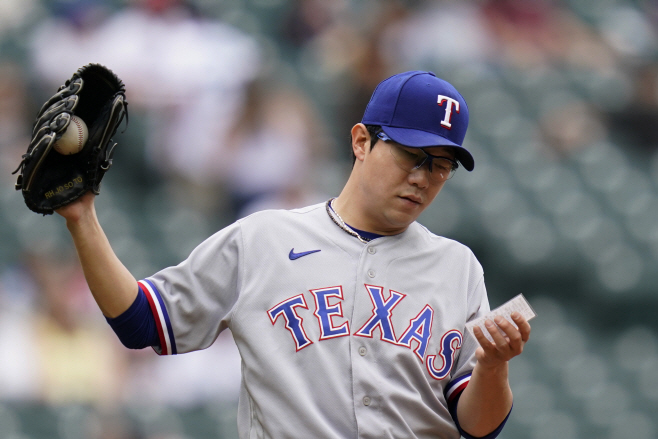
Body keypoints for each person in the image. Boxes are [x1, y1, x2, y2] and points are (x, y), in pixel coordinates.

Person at [56, 71, 531, 439]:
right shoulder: (264, 238)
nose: (423, 178)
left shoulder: (458, 266)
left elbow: (478, 426)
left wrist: (492, 366)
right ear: (362, 141)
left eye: (441, 166)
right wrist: (82, 219)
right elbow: (142, 321)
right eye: (412, 155)